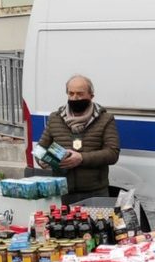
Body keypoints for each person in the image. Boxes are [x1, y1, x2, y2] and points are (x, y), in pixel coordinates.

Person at [37, 75, 120, 205]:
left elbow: (112, 153)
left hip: (95, 193)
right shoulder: (55, 118)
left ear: (91, 96)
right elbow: (40, 150)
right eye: (71, 93)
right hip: (62, 193)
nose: (75, 98)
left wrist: (81, 158)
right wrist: (48, 160)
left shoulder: (105, 119)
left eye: (80, 94)